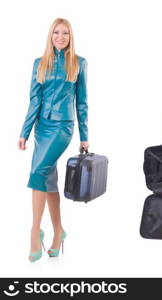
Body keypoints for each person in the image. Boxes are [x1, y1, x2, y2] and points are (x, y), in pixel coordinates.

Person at [18, 18, 89, 262]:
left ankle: (34, 232)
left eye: (65, 33)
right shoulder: (40, 63)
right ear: (50, 36)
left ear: (71, 37)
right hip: (41, 128)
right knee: (47, 177)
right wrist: (25, 132)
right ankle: (59, 232)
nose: (60, 37)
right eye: (56, 33)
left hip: (63, 128)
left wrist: (85, 136)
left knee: (38, 171)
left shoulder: (79, 63)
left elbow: (82, 102)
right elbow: (34, 100)